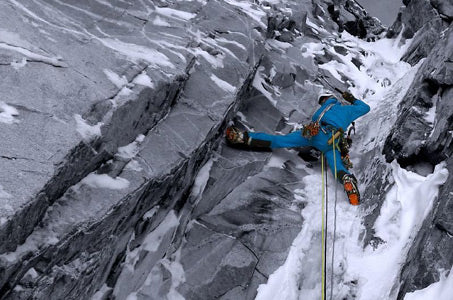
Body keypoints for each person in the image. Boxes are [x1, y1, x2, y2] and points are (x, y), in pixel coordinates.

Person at [225, 91, 370, 205]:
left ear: (325, 100)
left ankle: (243, 137)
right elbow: (365, 108)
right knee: (336, 164)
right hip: (333, 141)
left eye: (321, 101)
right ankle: (346, 180)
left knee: (281, 140)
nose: (321, 103)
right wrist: (351, 98)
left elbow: (315, 121)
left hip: (315, 134)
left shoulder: (322, 110)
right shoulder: (347, 110)